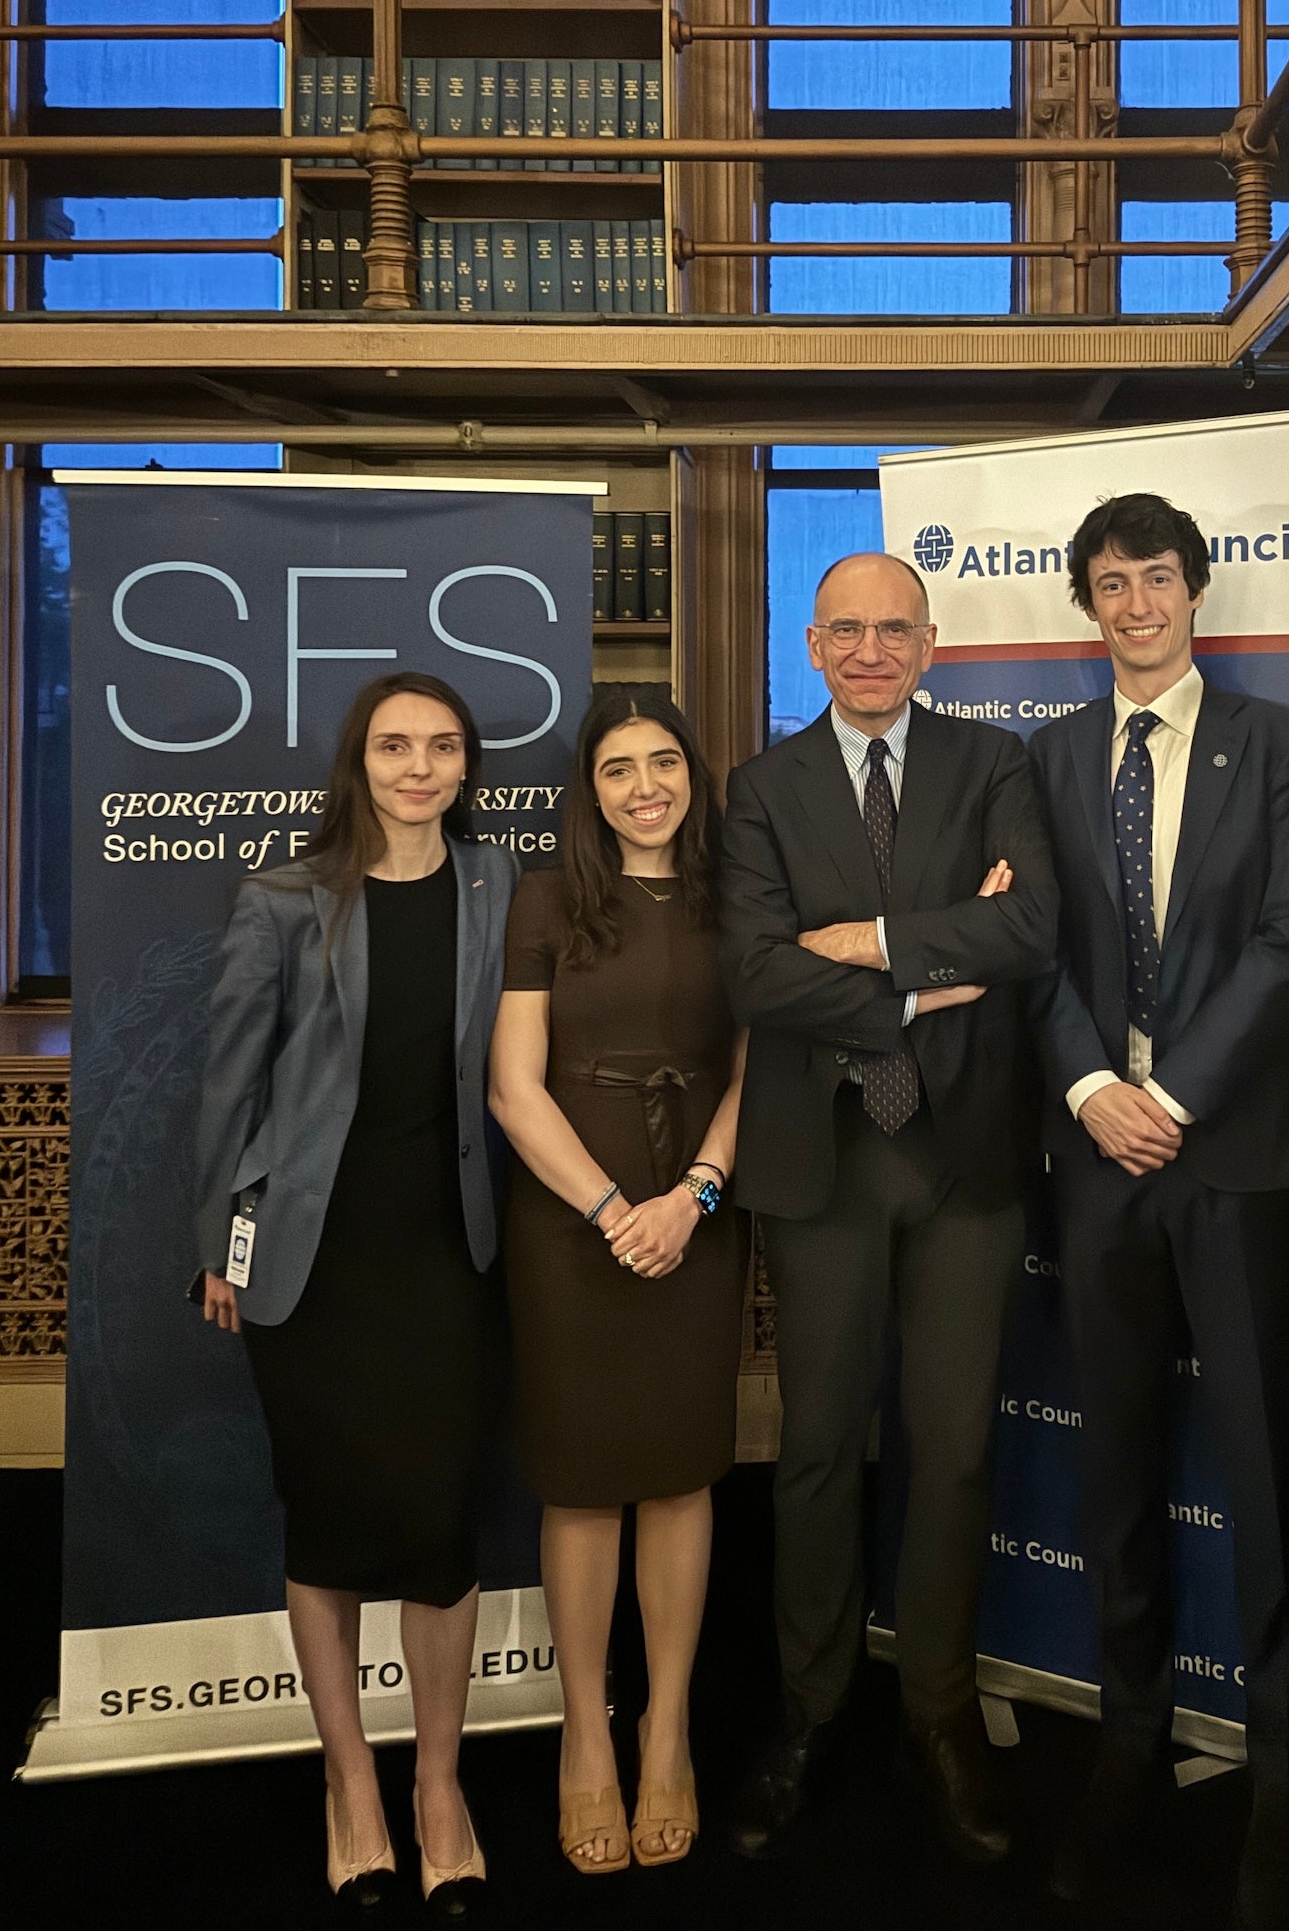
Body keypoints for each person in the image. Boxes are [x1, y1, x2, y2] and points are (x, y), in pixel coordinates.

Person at [720, 551, 1057, 1867]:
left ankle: (936, 1710)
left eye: (893, 629)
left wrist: (854, 940)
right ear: (811, 646)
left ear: (933, 641)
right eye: (844, 629)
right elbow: (751, 977)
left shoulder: (993, 767)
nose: (869, 649)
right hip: (825, 1162)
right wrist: (926, 968)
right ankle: (809, 1710)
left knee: (955, 1447)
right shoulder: (760, 788)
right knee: (813, 1450)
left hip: (963, 1160)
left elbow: (1029, 925)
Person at [1027, 494, 1289, 1931]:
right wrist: (1092, 1085)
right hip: (1096, 1159)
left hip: (1233, 1160)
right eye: (1109, 583)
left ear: (1194, 593)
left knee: (1266, 1477)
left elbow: (1288, 943)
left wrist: (1175, 1096)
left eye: (1156, 578)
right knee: (1115, 1475)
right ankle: (1128, 1745)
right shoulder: (1044, 758)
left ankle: (1282, 1782)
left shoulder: (1279, 747)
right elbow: (1031, 946)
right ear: (1085, 607)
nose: (1134, 603)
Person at [194, 673, 517, 1917]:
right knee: (326, 1521)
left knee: (440, 1535)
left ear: (466, 765)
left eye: (441, 747)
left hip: (449, 1255)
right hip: (311, 1260)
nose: (418, 767)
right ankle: (352, 1789)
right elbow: (230, 1092)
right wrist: (222, 1246)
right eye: (394, 746)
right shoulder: (284, 898)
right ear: (359, 761)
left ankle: (438, 1785)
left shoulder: (500, 890)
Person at [488, 686, 745, 1876]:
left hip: (695, 1207)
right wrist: (608, 1209)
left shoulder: (734, 892)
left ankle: (669, 1727)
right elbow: (512, 1085)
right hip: (570, 1216)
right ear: (587, 788)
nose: (645, 785)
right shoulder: (546, 898)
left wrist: (690, 1196)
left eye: (664, 763)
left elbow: (756, 1066)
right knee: (585, 1478)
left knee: (683, 1472)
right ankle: (585, 1733)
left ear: (694, 772)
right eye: (617, 768)